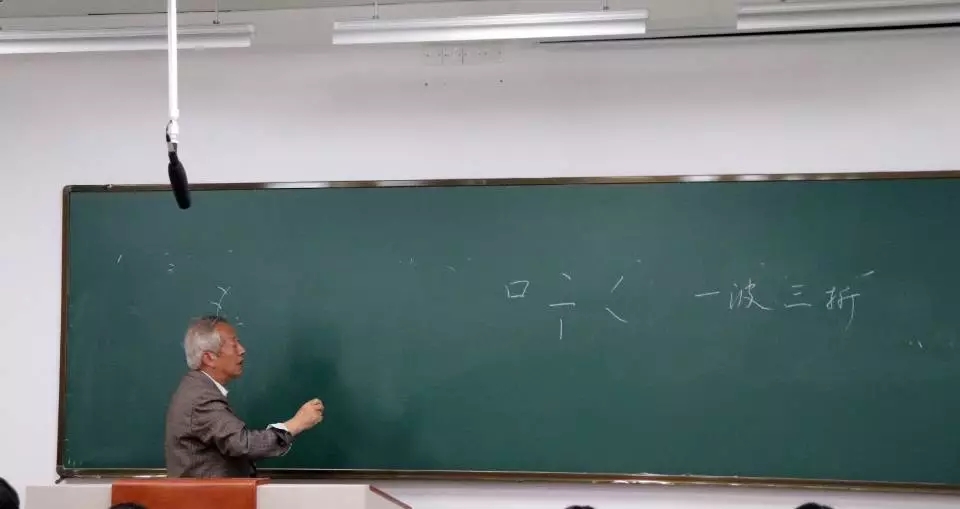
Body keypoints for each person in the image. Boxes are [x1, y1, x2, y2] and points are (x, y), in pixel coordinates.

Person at [165, 315, 324, 477]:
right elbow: (243, 444)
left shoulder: (197, 388)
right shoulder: (201, 398)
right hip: (208, 494)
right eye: (234, 345)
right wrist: (296, 424)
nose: (242, 350)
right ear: (209, 358)